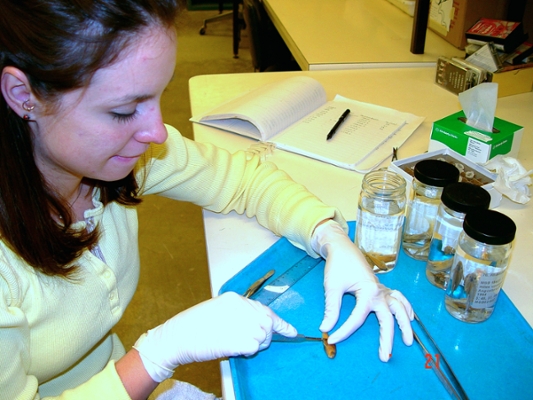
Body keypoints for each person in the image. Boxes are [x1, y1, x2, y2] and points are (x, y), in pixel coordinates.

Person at [0, 0, 414, 398]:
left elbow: (244, 180)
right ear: (23, 95)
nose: (157, 133)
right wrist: (157, 354)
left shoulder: (118, 157)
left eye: (159, 94)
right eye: (125, 109)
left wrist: (328, 236)